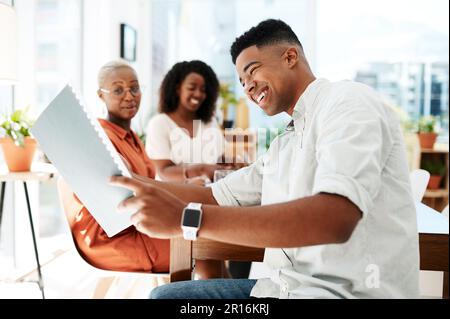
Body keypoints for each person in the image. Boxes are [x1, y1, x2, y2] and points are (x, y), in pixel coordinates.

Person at [110, 19, 419, 298]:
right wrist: (128, 180)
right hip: (282, 288)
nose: (247, 87)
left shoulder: (347, 102)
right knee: (166, 298)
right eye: (242, 82)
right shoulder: (287, 140)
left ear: (290, 56)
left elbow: (334, 218)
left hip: (338, 294)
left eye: (252, 70)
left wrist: (187, 219)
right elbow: (218, 195)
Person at [61, 60, 224, 278]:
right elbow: (124, 193)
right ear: (101, 95)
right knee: (208, 242)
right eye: (118, 90)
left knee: (210, 234)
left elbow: (143, 187)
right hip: (115, 238)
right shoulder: (101, 136)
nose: (129, 96)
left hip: (137, 225)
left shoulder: (132, 137)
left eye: (134, 88)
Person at [145, 60, 235, 185]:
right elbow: (163, 172)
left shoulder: (209, 122)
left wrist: (233, 162)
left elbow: (221, 157)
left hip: (210, 192)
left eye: (203, 90)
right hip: (174, 196)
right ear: (177, 89)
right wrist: (200, 170)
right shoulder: (159, 124)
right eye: (191, 87)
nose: (198, 94)